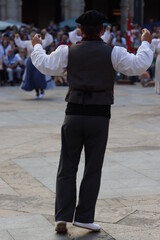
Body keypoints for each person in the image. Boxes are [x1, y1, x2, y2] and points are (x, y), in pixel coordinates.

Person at [31, 10, 153, 233]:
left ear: (80, 31)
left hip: (73, 113)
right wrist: (145, 43)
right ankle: (84, 217)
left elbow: (44, 64)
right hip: (99, 116)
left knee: (67, 166)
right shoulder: (113, 52)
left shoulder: (67, 51)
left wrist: (37, 45)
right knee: (92, 168)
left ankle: (63, 216)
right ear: (103, 31)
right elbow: (138, 65)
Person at [14, 30, 53, 99]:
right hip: (31, 62)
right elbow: (20, 43)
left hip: (39, 61)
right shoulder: (28, 43)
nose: (32, 36)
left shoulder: (41, 42)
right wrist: (17, 37)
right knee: (32, 77)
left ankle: (42, 91)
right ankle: (37, 92)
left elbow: (49, 40)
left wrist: (46, 33)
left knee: (38, 76)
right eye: (31, 35)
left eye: (34, 35)